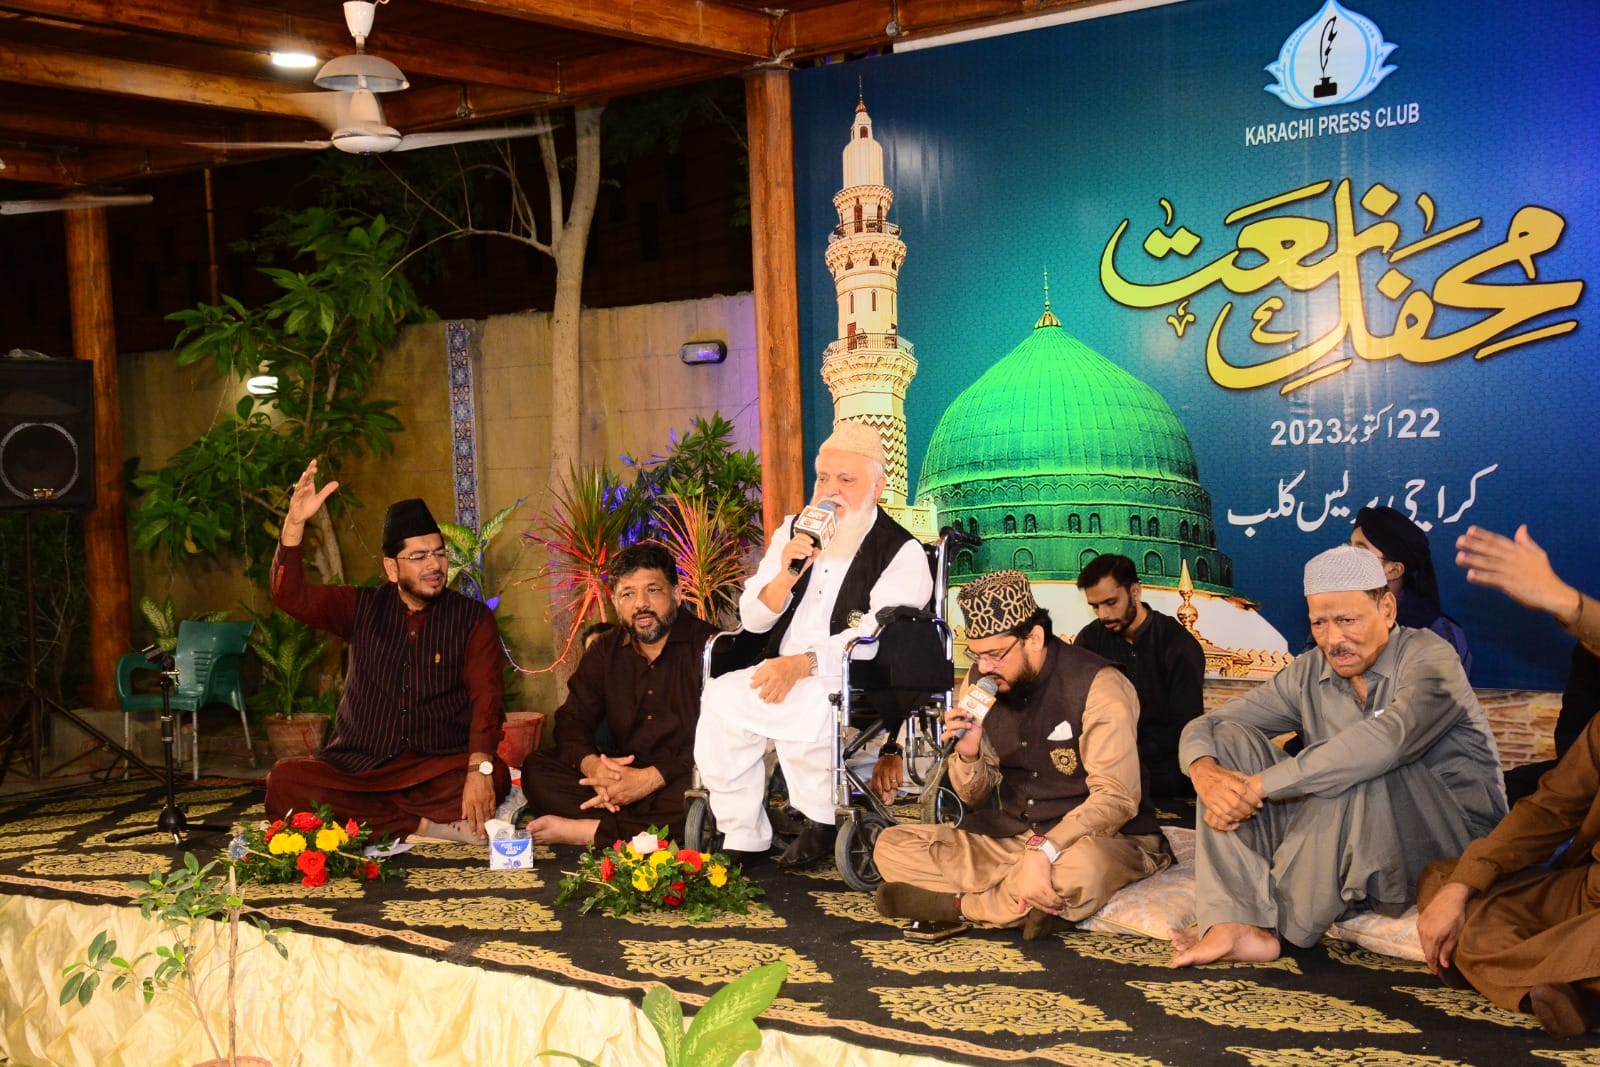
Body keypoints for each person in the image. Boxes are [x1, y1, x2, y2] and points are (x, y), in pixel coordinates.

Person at [1169, 544, 1506, 968]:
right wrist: (1205, 774)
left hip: (1446, 845)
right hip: (1351, 833)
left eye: (1347, 621)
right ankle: (1234, 919)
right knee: (1227, 740)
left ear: (1387, 609)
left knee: (1357, 766)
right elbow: (1210, 725)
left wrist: (1257, 787)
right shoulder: (1311, 669)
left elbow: (1384, 743)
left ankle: (1279, 926)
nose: (1333, 640)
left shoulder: (1431, 658)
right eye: (1320, 623)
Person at [871, 569, 1170, 937]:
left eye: (995, 655)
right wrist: (968, 755)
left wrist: (1045, 850)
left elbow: (1117, 797)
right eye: (976, 655)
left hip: (1097, 839)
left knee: (1083, 870)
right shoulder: (981, 684)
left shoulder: (1100, 685)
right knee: (891, 846)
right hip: (1014, 837)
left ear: (1034, 638)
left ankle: (958, 906)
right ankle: (1022, 899)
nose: (984, 667)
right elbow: (973, 796)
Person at [694, 422, 933, 869]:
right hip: (779, 664)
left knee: (810, 703)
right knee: (722, 698)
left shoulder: (901, 551)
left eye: (847, 479)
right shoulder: (794, 532)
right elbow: (754, 618)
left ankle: (823, 819)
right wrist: (787, 573)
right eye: (823, 478)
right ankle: (742, 832)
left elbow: (876, 637)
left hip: (850, 672)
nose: (831, 490)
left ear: (877, 487)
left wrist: (802, 665)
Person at [1413, 523, 1600, 1038]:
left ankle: (1520, 974)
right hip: (1589, 892)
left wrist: (1567, 603)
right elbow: (1551, 809)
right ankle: (1569, 982)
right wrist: (1463, 887)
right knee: (1447, 884)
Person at [265, 460, 509, 843]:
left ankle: (373, 819)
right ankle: (419, 825)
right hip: (360, 764)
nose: (435, 565)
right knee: (285, 782)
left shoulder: (471, 618)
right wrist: (294, 525)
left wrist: (478, 769)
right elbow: (289, 595)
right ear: (392, 568)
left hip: (433, 765)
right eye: (419, 557)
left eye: (439, 553)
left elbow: (487, 698)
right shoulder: (360, 606)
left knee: (496, 776)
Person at [520, 543, 716, 846]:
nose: (641, 604)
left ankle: (590, 832)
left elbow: (725, 739)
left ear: (676, 594)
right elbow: (571, 721)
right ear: (615, 601)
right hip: (621, 775)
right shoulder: (605, 651)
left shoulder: (710, 647)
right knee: (537, 770)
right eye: (628, 594)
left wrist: (651, 778)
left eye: (653, 590)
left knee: (713, 797)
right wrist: (595, 768)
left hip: (682, 774)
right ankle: (640, 829)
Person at [1073, 553, 1205, 799]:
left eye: (1110, 603)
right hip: (1103, 773)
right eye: (1095, 607)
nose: (1103, 615)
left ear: (1135, 592)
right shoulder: (1089, 641)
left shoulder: (1177, 644)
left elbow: (1186, 727)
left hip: (1164, 778)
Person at [1350, 505, 1472, 674]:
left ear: (1394, 570)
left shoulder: (1437, 633)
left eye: (1360, 551)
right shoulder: (1331, 617)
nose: (1347, 558)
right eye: (1349, 547)